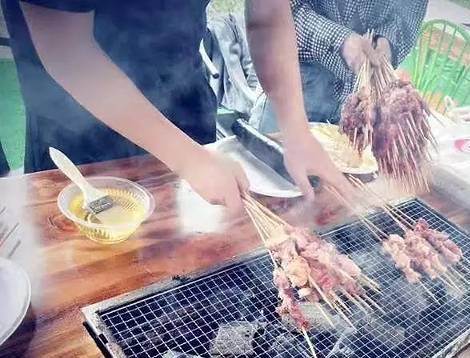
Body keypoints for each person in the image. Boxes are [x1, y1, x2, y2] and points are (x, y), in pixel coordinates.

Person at [2, 0, 350, 215]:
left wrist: (296, 131)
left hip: (183, 101)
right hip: (81, 129)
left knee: (192, 275)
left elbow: (267, 15)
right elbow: (67, 51)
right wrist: (187, 158)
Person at [250, 0, 428, 133]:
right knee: (266, 165)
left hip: (354, 99)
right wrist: (340, 40)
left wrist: (388, 40)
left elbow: (409, 14)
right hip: (295, 83)